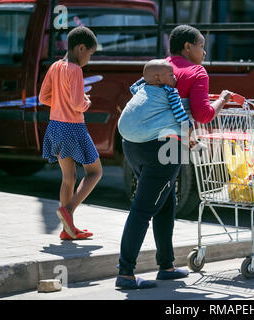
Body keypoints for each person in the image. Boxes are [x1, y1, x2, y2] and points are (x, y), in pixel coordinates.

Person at [115, 24, 232, 290]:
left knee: (167, 200)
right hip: (165, 148)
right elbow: (203, 115)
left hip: (133, 143)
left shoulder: (161, 68)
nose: (205, 51)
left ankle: (166, 266)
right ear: (188, 47)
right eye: (201, 45)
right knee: (144, 207)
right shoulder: (196, 71)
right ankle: (125, 273)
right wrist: (222, 100)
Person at [39, 26, 103, 241]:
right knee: (95, 172)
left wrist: (60, 103)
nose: (89, 59)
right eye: (90, 54)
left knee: (69, 178)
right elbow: (77, 104)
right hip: (73, 127)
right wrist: (87, 101)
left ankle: (68, 229)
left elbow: (43, 98)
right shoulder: (75, 70)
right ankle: (69, 210)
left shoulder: (55, 66)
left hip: (55, 125)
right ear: (81, 48)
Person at [118, 59, 197, 150]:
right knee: (187, 110)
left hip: (123, 129)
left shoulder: (142, 88)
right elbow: (179, 112)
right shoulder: (169, 92)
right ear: (158, 78)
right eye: (171, 75)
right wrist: (189, 130)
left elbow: (133, 88)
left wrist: (148, 78)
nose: (175, 77)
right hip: (139, 134)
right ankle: (188, 139)